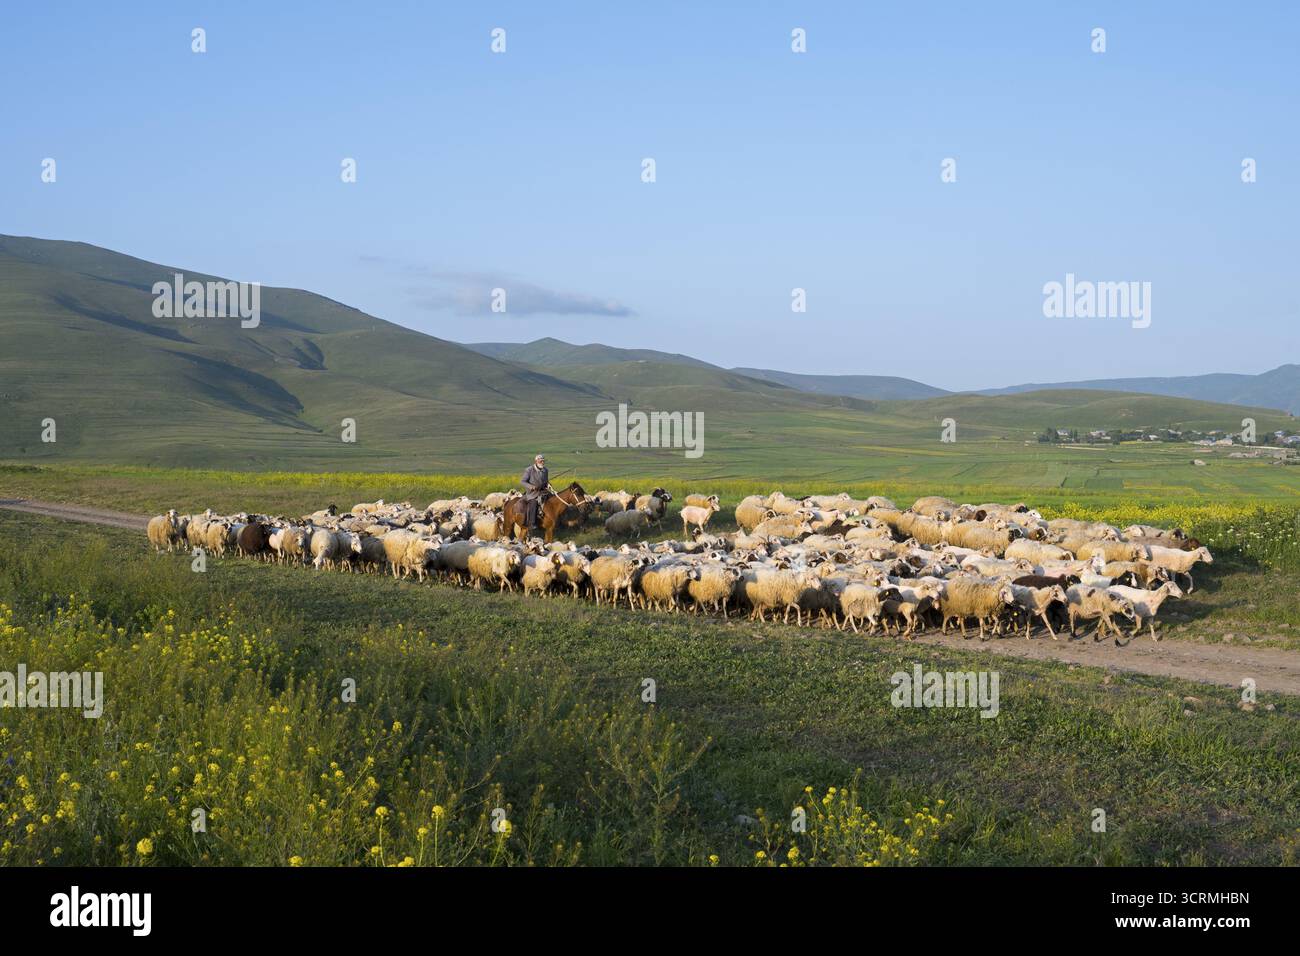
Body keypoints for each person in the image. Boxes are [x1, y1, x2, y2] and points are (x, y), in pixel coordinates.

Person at [520, 454, 550, 530]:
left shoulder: (545, 470)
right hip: (532, 493)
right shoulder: (529, 470)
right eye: (541, 461)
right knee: (534, 503)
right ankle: (531, 523)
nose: (542, 462)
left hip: (543, 491)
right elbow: (523, 481)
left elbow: (546, 481)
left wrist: (548, 484)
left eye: (543, 461)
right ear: (536, 461)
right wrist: (532, 487)